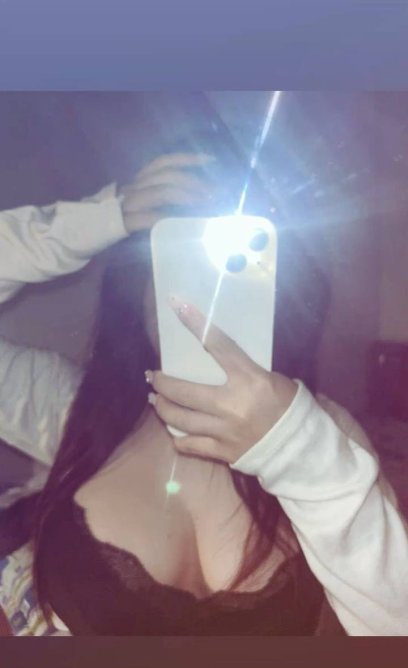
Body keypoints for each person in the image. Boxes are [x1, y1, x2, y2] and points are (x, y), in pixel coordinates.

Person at [0, 137, 407, 636]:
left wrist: (295, 448)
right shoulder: (71, 408)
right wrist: (100, 218)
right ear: (140, 283)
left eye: (232, 269)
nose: (208, 298)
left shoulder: (322, 431)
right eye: (182, 263)